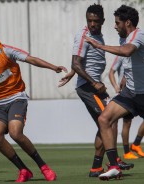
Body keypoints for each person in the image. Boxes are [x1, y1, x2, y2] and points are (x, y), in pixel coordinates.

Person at [0, 22, 67, 182]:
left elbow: (31, 59)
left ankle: (43, 167)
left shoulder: (5, 50)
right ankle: (23, 170)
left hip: (16, 98)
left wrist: (53, 67)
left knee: (15, 133)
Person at [59, 4, 133, 178]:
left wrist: (73, 74)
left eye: (96, 21)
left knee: (106, 122)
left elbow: (83, 61)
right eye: (89, 20)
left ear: (102, 21)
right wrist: (93, 82)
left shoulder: (97, 35)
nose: (92, 24)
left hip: (93, 85)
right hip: (88, 87)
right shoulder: (83, 35)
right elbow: (76, 62)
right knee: (109, 119)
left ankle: (96, 167)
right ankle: (114, 161)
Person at [85, 5, 144, 180]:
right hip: (131, 94)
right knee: (104, 119)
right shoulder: (124, 38)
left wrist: (98, 45)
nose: (115, 26)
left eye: (117, 23)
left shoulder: (138, 35)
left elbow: (127, 51)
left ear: (128, 22)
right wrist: (126, 77)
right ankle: (114, 166)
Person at [109, 55, 144, 159]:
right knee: (127, 122)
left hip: (140, 93)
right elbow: (111, 72)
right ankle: (126, 152)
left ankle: (136, 144)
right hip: (127, 94)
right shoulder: (121, 54)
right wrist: (115, 86)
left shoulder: (139, 54)